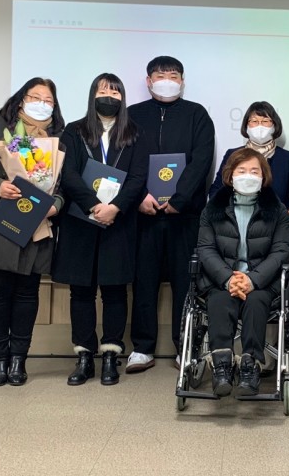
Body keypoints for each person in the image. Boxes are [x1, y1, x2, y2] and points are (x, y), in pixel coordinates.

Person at [0, 78, 65, 386]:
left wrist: (56, 204)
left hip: (36, 225)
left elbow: (66, 182)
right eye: (35, 97)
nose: (41, 103)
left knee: (27, 293)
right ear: (21, 99)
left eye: (48, 100)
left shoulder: (58, 138)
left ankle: (19, 359)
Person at [52, 74, 148, 386]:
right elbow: (68, 174)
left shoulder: (135, 134)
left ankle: (110, 355)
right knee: (81, 290)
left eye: (115, 92)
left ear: (123, 98)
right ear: (92, 94)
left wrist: (115, 207)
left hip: (118, 223)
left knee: (114, 289)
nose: (109, 96)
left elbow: (138, 177)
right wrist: (94, 205)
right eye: (103, 90)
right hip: (80, 220)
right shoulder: (74, 131)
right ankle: (84, 356)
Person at [126, 56, 215, 373]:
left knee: (185, 282)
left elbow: (202, 160)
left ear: (182, 81)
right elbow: (124, 160)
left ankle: (185, 346)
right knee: (143, 281)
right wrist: (139, 197)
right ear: (148, 81)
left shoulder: (197, 114)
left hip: (184, 215)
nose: (167, 80)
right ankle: (142, 348)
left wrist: (180, 199)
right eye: (160, 75)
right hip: (143, 214)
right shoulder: (132, 115)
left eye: (173, 75)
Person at [197, 148, 289, 396]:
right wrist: (228, 278)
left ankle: (250, 366)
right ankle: (222, 366)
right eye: (241, 171)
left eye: (254, 171)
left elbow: (281, 251)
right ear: (230, 176)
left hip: (262, 282)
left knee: (256, 301)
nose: (248, 176)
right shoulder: (212, 209)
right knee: (220, 299)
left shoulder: (278, 210)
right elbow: (206, 249)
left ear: (263, 176)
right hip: (221, 280)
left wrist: (252, 279)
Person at [209, 101, 289, 225]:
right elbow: (216, 189)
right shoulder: (232, 155)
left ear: (274, 125)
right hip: (236, 225)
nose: (259, 126)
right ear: (246, 125)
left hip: (276, 224)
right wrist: (223, 213)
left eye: (265, 121)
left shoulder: (287, 158)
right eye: (254, 121)